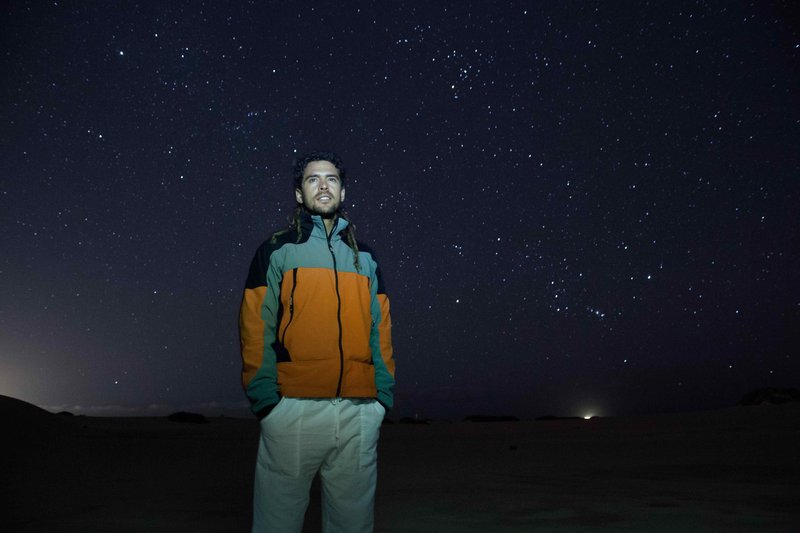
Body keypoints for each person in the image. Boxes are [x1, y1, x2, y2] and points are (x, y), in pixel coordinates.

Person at [239, 150, 395, 532]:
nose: (323, 186)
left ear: (343, 192)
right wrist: (268, 404)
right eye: (313, 179)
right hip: (294, 410)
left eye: (331, 179)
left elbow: (381, 330)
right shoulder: (277, 250)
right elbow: (255, 326)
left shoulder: (366, 258)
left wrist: (381, 400)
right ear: (299, 194)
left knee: (353, 526)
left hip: (359, 412)